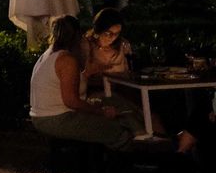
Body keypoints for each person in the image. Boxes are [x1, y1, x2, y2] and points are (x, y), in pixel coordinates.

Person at [28, 16, 195, 151]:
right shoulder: (67, 59)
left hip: (46, 117)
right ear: (77, 36)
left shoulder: (49, 55)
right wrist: (100, 111)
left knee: (117, 102)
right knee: (118, 129)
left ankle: (152, 138)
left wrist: (87, 75)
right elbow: (71, 101)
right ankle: (127, 167)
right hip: (56, 119)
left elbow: (63, 87)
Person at [82, 7, 133, 92]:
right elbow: (81, 76)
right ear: (99, 30)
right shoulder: (87, 44)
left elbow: (130, 72)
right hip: (97, 91)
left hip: (121, 91)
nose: (113, 37)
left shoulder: (123, 44)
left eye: (117, 33)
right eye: (108, 33)